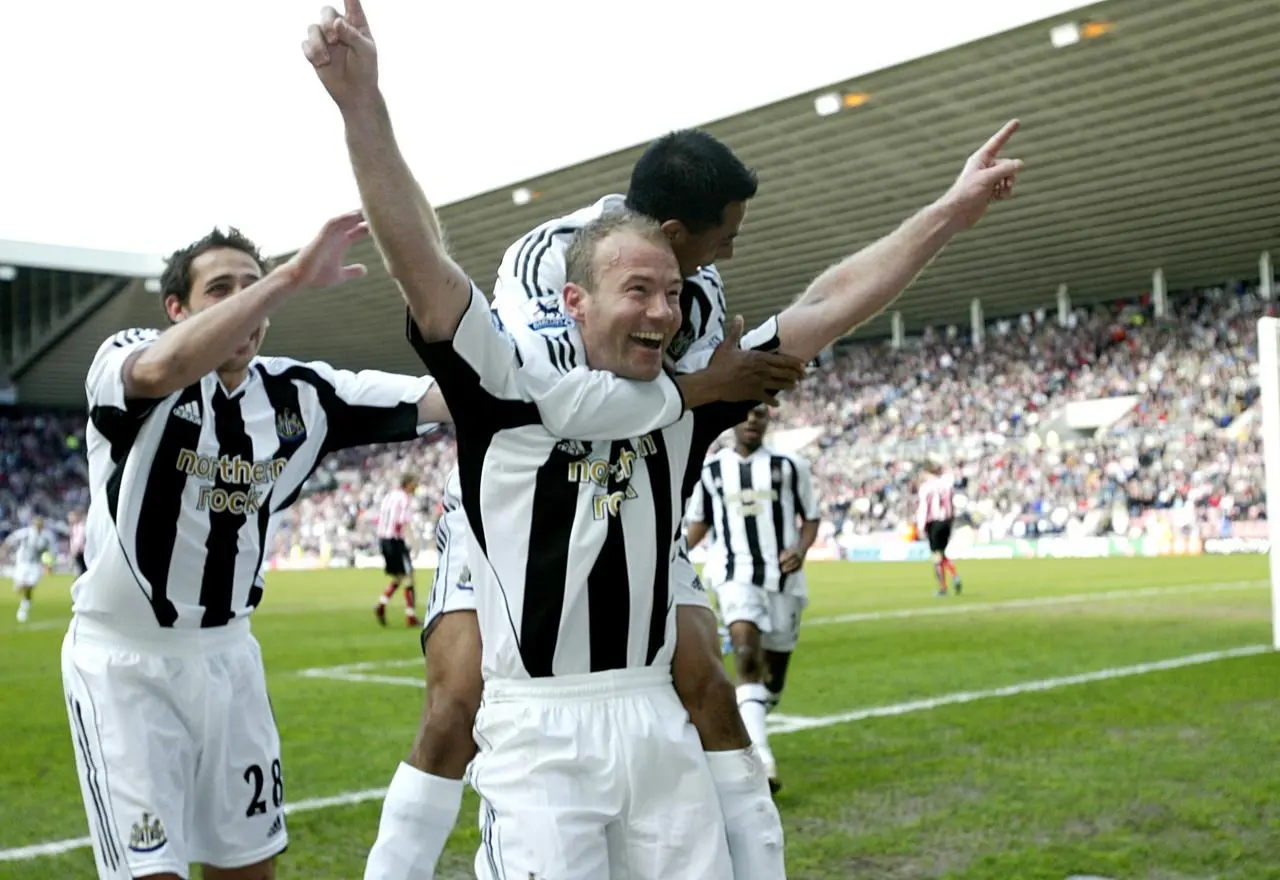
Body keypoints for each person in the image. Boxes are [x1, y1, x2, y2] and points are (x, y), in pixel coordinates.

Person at [305, 4, 1022, 878]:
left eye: (674, 293)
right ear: (579, 300)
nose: (668, 306)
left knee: (712, 692)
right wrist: (361, 106)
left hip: (641, 661)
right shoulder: (533, 327)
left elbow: (827, 303)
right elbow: (436, 280)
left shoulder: (699, 344)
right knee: (451, 708)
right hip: (527, 622)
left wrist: (949, 212)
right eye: (640, 290)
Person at [367, 135, 801, 878]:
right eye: (722, 236)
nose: (725, 255)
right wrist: (699, 391)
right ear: (674, 231)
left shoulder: (696, 288)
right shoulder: (547, 255)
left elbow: (683, 400)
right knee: (454, 708)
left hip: (631, 491)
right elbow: (548, 403)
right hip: (520, 499)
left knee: (706, 681)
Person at [60, 214, 454, 880]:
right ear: (177, 308)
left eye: (253, 285)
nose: (246, 300)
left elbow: (448, 399)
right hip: (124, 665)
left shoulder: (304, 395)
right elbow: (158, 368)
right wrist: (289, 277)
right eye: (223, 288)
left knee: (248, 869)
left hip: (229, 660)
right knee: (149, 873)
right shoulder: (127, 357)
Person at [685, 404, 821, 792]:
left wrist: (801, 548)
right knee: (744, 652)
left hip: (783, 580)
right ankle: (762, 758)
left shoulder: (790, 466)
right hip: (732, 573)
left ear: (767, 418)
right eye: (743, 413)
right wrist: (669, 556)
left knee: (772, 677)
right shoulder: (710, 470)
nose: (750, 420)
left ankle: (761, 704)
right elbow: (701, 522)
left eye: (758, 413)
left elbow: (811, 517)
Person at [373, 472, 420, 627]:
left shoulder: (389, 496)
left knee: (400, 576)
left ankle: (381, 605)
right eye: (415, 483)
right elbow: (403, 522)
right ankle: (410, 617)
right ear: (407, 484)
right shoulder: (404, 498)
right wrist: (414, 543)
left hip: (383, 539)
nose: (416, 486)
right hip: (395, 540)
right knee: (409, 577)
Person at [916, 458, 963, 596]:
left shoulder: (925, 488)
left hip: (934, 523)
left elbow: (923, 508)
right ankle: (955, 575)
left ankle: (943, 587)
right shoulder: (946, 483)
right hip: (947, 522)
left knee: (936, 556)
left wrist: (921, 527)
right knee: (941, 554)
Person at [5, 514, 57, 623]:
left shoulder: (47, 536)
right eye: (36, 523)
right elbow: (10, 540)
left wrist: (49, 565)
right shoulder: (26, 533)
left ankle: (24, 608)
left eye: (40, 523)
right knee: (21, 586)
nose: (38, 525)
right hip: (22, 563)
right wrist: (5, 550)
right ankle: (20, 589)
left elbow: (52, 551)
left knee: (30, 586)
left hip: (35, 564)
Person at [69, 509, 88, 576]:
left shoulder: (80, 527)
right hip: (78, 551)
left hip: (80, 552)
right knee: (81, 569)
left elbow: (79, 540)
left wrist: (75, 550)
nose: (69, 518)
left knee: (82, 569)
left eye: (71, 517)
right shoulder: (75, 527)